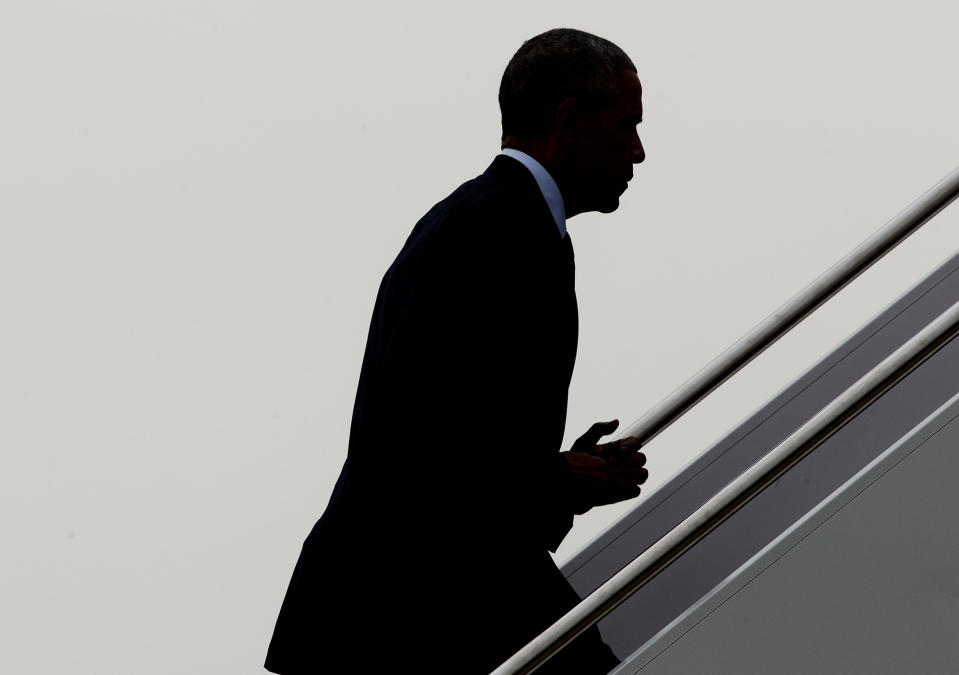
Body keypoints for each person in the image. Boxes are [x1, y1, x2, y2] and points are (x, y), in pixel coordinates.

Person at [265, 28, 648, 674]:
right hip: (394, 607)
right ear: (568, 120)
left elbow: (461, 442)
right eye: (625, 125)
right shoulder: (487, 228)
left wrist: (563, 482)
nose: (638, 151)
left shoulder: (512, 225)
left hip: (438, 591)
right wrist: (550, 478)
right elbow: (420, 439)